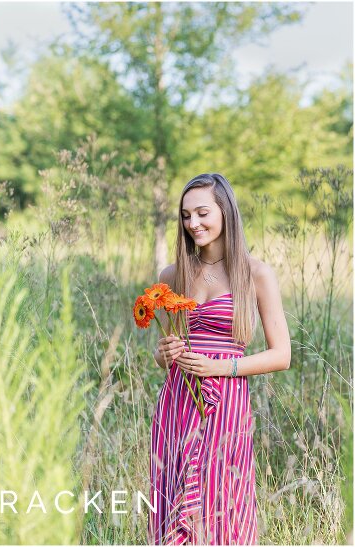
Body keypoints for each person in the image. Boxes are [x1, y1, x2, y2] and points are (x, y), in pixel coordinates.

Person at [149, 173, 291, 545]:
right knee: (175, 500)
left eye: (202, 213)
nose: (192, 224)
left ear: (225, 211)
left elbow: (282, 355)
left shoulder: (256, 273)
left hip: (226, 404)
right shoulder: (173, 274)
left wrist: (221, 367)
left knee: (221, 503)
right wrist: (165, 353)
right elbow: (167, 355)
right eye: (185, 216)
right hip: (178, 402)